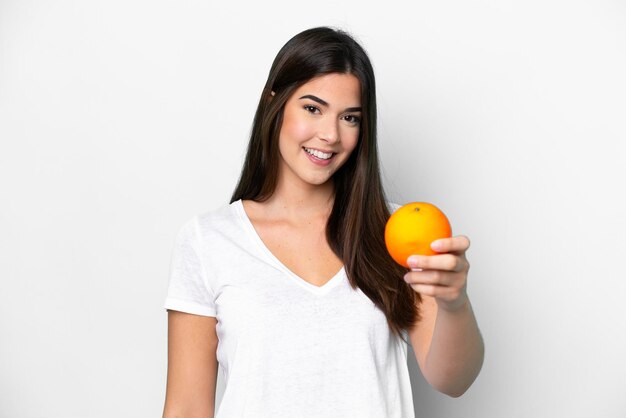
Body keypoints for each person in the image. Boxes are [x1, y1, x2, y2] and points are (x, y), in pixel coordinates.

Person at [162, 26, 484, 418]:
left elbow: (453, 380)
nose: (330, 134)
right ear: (274, 104)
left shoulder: (393, 231)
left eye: (350, 117)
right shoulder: (208, 240)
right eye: (312, 109)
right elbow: (187, 408)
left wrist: (454, 302)